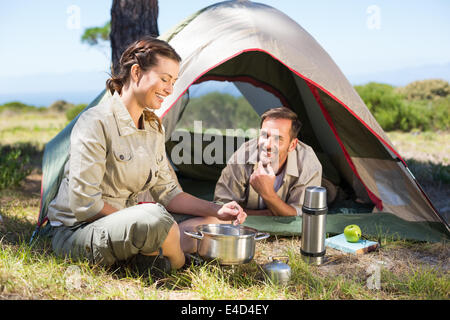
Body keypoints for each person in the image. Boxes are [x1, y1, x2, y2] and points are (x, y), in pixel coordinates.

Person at [47, 36, 246, 277]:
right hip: (79, 232)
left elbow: (168, 193)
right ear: (136, 72)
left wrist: (217, 209)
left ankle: (154, 253)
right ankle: (179, 262)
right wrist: (145, 221)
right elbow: (85, 203)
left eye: (173, 81)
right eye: (164, 79)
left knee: (215, 223)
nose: (170, 89)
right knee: (155, 220)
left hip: (134, 225)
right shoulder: (96, 122)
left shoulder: (154, 128)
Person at [214, 107, 322, 216]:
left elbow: (301, 215)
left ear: (292, 145)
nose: (267, 145)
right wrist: (269, 213)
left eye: (278, 139)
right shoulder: (242, 156)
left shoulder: (308, 163)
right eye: (264, 135)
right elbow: (223, 208)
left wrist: (267, 193)